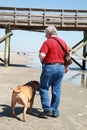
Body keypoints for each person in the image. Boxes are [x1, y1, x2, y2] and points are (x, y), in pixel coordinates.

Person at [38, 25, 70, 118]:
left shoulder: (47, 42)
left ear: (48, 33)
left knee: (44, 87)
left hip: (50, 67)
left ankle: (47, 109)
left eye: (45, 34)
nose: (45, 36)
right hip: (61, 67)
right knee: (57, 90)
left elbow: (42, 55)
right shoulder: (63, 42)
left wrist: (40, 55)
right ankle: (55, 111)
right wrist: (66, 67)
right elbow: (68, 57)